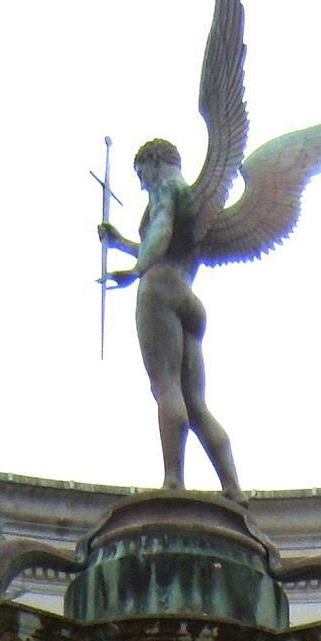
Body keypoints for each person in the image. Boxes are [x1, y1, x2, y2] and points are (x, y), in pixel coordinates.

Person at [101, 139, 242, 498]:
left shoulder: (165, 187)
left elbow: (161, 230)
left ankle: (174, 480)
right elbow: (169, 241)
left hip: (160, 287)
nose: (141, 182)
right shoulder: (192, 198)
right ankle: (234, 488)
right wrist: (122, 244)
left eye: (140, 172)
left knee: (165, 387)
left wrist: (137, 269)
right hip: (189, 299)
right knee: (196, 404)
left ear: (153, 161)